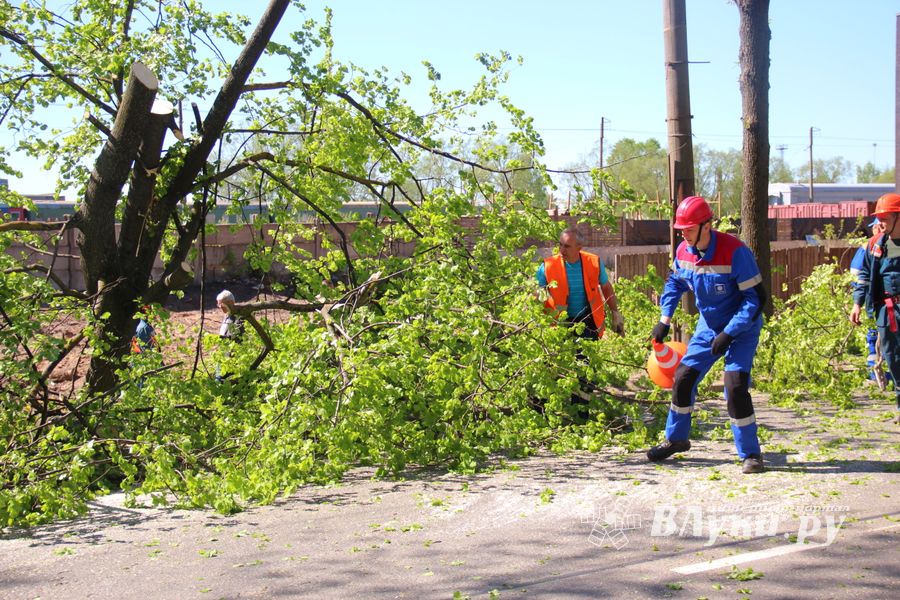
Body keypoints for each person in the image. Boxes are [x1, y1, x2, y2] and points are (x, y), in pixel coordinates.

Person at [647, 196, 768, 474]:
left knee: (735, 386)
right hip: (708, 326)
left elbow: (756, 299)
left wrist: (729, 333)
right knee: (683, 378)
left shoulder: (735, 252)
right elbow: (675, 282)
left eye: (688, 228)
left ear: (707, 225)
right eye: (681, 229)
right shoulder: (683, 251)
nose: (684, 233)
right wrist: (664, 320)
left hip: (742, 328)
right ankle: (676, 439)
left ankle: (751, 454)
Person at [850, 192, 900, 424]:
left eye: (885, 218)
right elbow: (864, 278)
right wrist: (857, 303)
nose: (880, 223)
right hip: (886, 312)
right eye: (879, 218)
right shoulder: (875, 245)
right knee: (892, 357)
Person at [536, 228, 624, 340]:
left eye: (567, 246)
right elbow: (537, 291)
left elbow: (606, 287)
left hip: (587, 321)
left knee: (585, 356)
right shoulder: (548, 265)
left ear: (579, 247)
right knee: (563, 356)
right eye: (561, 245)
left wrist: (615, 312)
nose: (562, 250)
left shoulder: (593, 262)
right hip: (559, 322)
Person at [850, 217, 891, 385]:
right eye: (875, 226)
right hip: (873, 299)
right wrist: (858, 301)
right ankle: (876, 372)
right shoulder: (870, 246)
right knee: (874, 337)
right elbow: (860, 274)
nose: (877, 229)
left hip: (878, 300)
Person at [215, 289, 244, 381]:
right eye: (218, 304)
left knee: (222, 382)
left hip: (231, 358)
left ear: (231, 303)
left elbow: (237, 340)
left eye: (221, 304)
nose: (219, 306)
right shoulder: (227, 316)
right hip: (223, 356)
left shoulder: (239, 319)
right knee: (218, 381)